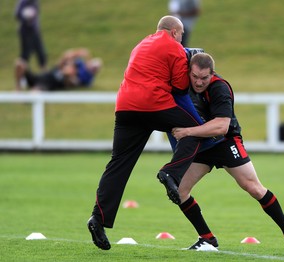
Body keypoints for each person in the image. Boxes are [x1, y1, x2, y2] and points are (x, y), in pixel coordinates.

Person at [86, 16, 204, 251]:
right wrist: (187, 58)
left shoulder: (141, 44)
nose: (182, 39)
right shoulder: (175, 48)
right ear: (174, 32)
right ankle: (171, 173)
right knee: (196, 130)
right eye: (181, 34)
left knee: (118, 165)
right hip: (154, 104)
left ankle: (97, 219)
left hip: (126, 107)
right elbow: (181, 87)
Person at [171, 53, 284, 251]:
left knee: (254, 188)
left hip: (225, 142)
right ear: (189, 72)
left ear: (212, 74)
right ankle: (207, 239)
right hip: (202, 143)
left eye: (204, 78)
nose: (199, 82)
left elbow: (221, 127)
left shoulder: (220, 88)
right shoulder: (184, 83)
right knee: (178, 191)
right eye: (195, 76)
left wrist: (187, 132)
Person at [15, 48, 102, 91]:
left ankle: (24, 97)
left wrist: (68, 75)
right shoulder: (63, 66)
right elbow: (66, 55)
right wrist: (78, 52)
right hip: (38, 77)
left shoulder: (85, 78)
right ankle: (18, 89)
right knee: (19, 63)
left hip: (45, 85)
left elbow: (73, 83)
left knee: (35, 93)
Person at [15, 0, 47, 70]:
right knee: (25, 54)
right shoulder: (23, 2)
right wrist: (25, 17)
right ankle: (20, 76)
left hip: (34, 31)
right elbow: (17, 14)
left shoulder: (35, 2)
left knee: (41, 52)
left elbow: (36, 14)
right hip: (25, 32)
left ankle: (44, 74)